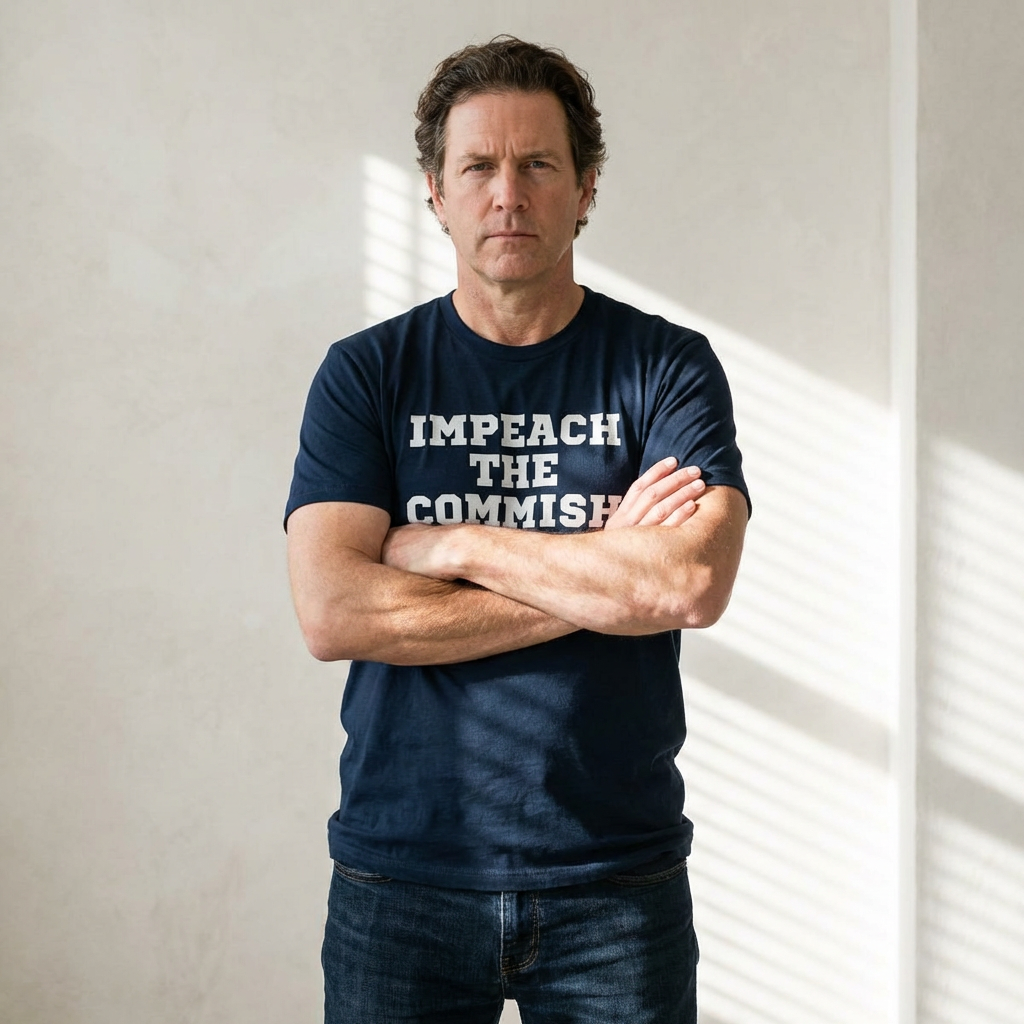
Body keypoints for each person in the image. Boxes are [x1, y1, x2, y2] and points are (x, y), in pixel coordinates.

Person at [285, 35, 750, 1024]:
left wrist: (451, 545)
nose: (508, 195)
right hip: (399, 877)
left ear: (585, 188)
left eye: (538, 164)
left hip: (614, 883)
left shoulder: (666, 368)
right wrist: (605, 575)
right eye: (478, 168)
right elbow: (332, 612)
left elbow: (688, 585)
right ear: (435, 192)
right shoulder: (366, 374)